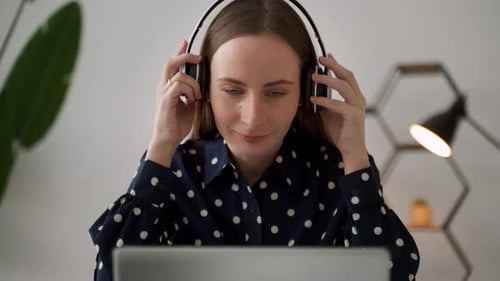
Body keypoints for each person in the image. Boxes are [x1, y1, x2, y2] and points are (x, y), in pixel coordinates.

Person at [89, 0, 420, 280]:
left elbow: (395, 273)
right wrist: (162, 141)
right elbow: (110, 272)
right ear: (201, 86)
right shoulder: (172, 171)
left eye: (276, 92)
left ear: (309, 91)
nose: (252, 117)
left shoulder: (339, 173)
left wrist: (354, 155)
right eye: (232, 90)